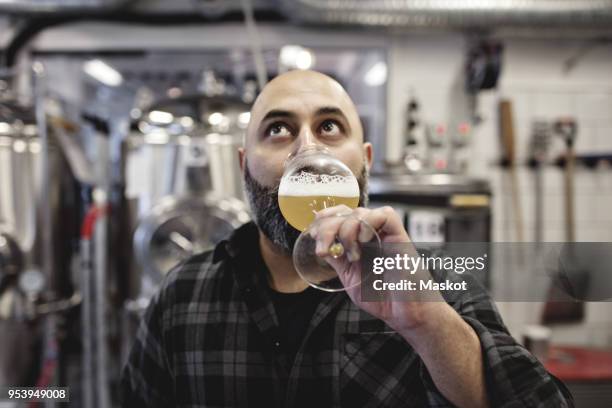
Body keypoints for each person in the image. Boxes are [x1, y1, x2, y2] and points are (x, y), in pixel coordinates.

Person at [120, 70, 573, 407]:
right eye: (278, 129)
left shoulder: (439, 280)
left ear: (365, 161)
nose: (307, 150)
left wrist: (425, 322)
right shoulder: (183, 294)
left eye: (329, 127)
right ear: (244, 164)